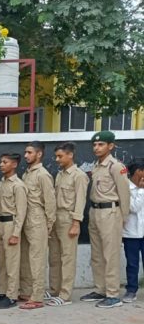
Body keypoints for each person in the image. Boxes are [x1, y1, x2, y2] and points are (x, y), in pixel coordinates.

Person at [80, 131, 131, 308]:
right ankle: (100, 289)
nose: (96, 147)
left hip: (111, 212)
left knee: (110, 255)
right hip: (95, 211)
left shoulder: (116, 166)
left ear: (111, 146)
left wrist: (123, 217)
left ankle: (113, 294)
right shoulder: (97, 166)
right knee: (97, 255)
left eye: (101, 144)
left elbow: (125, 193)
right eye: (94, 145)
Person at [46, 142, 88, 307]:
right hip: (56, 218)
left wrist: (76, 223)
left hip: (69, 218)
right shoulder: (60, 174)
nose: (57, 159)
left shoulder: (79, 176)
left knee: (67, 258)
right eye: (56, 156)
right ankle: (55, 290)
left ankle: (65, 295)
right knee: (54, 257)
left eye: (60, 156)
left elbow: (80, 201)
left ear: (70, 155)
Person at [18, 141, 56, 310]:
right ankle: (27, 292)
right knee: (26, 258)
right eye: (26, 152)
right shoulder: (27, 173)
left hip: (37, 219)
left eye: (29, 152)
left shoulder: (43, 175)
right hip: (25, 218)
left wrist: (48, 225)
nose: (26, 155)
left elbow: (50, 202)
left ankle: (37, 297)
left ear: (39, 154)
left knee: (36, 260)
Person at [0, 153, 28, 309]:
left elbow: (21, 212)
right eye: (1, 161)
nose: (1, 165)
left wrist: (15, 233)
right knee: (1, 262)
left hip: (10, 225)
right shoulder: (0, 184)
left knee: (12, 262)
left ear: (14, 164)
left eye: (5, 162)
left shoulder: (18, 185)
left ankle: (11, 295)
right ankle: (2, 291)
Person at [121, 162, 144, 303]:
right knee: (132, 263)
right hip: (131, 234)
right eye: (141, 174)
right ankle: (131, 290)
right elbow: (134, 208)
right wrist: (141, 190)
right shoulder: (125, 189)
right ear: (134, 173)